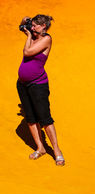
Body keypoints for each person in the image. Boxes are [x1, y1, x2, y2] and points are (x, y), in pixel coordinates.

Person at [17, 14, 65, 166]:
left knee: (45, 118)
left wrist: (29, 36)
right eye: (33, 24)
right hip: (22, 84)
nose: (33, 27)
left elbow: (27, 52)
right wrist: (26, 22)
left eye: (36, 25)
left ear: (44, 26)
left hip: (38, 85)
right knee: (30, 118)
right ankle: (41, 148)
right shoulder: (34, 34)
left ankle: (57, 150)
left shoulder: (46, 39)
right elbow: (22, 23)